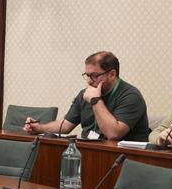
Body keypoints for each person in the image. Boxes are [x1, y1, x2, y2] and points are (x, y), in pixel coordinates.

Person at [22, 51, 150, 142]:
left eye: (94, 75)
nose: (89, 81)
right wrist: (39, 128)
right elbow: (66, 125)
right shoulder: (85, 93)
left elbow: (114, 134)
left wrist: (95, 101)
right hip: (90, 152)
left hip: (122, 159)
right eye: (87, 75)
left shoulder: (131, 96)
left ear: (112, 74)